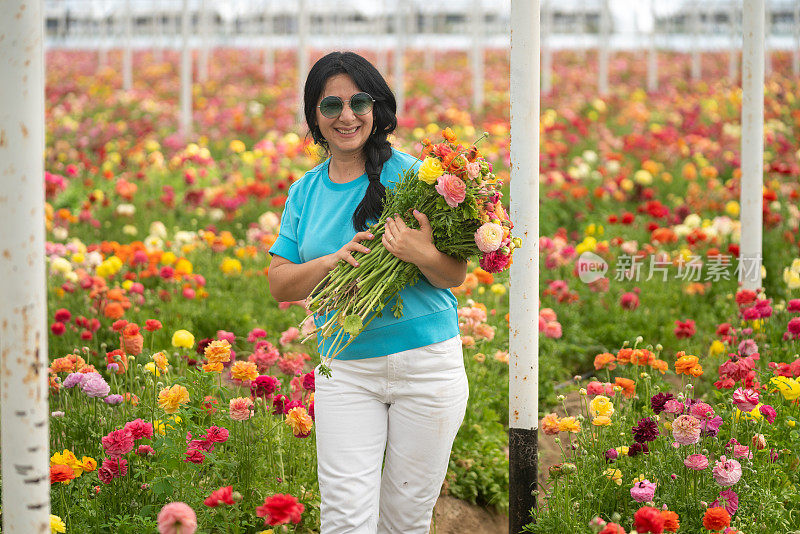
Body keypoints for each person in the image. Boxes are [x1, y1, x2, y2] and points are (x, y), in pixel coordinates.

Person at [267, 51, 469, 534]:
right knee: (344, 518)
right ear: (314, 118)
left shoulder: (419, 177)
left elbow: (453, 275)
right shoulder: (304, 192)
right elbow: (279, 281)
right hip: (346, 367)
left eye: (358, 101)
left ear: (376, 107)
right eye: (330, 106)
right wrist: (331, 260)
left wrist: (420, 252)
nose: (347, 116)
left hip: (428, 367)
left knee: (405, 519)